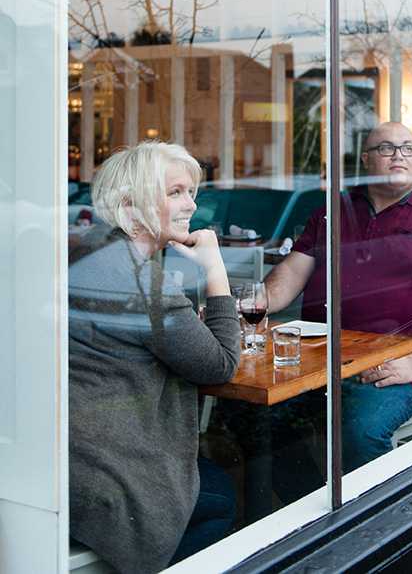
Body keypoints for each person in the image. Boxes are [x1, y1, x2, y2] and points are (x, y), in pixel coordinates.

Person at [265, 122, 412, 480]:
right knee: (261, 418)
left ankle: (383, 524)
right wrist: (240, 304)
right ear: (366, 160)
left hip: (393, 368)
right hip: (322, 359)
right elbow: (289, 277)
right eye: (386, 148)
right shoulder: (332, 211)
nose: (398, 155)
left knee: (360, 431)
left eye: (408, 148)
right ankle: (308, 511)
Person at [68, 141, 241, 574]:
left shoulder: (88, 250)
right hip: (106, 476)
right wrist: (215, 269)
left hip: (65, 454)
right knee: (223, 494)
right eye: (176, 192)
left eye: (191, 191)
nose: (191, 204)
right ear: (131, 204)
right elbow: (221, 364)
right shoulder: (142, 281)